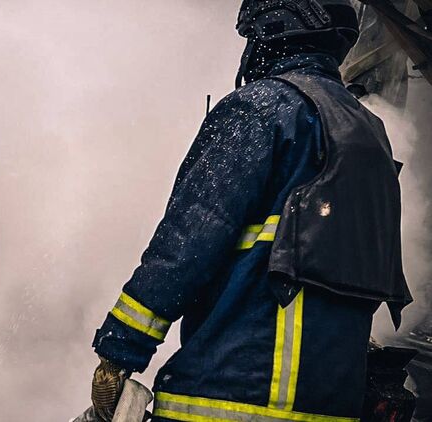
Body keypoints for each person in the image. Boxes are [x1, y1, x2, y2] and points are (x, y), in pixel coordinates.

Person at [89, 1, 412, 421]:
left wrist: (118, 351)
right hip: (332, 405)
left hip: (231, 393)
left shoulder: (262, 108)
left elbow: (187, 243)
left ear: (272, 29)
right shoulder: (371, 134)